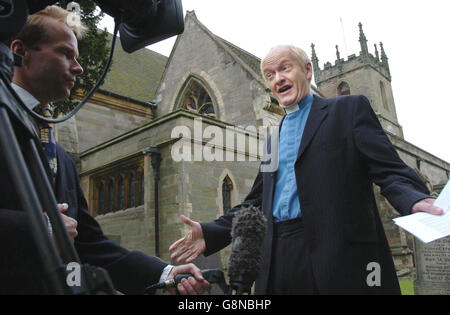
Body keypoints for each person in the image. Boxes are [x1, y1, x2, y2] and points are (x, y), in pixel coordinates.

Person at [169, 45, 444, 295]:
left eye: (285, 68)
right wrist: (210, 231)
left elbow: (389, 169)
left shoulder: (348, 110)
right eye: (270, 74)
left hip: (338, 252)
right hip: (278, 256)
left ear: (308, 71)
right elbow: (254, 204)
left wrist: (414, 198)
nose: (278, 78)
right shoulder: (272, 140)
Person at [0, 5, 210, 295]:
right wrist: (36, 231)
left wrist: (166, 272)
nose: (79, 67)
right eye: (65, 54)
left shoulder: (61, 158)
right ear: (20, 51)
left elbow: (90, 245)